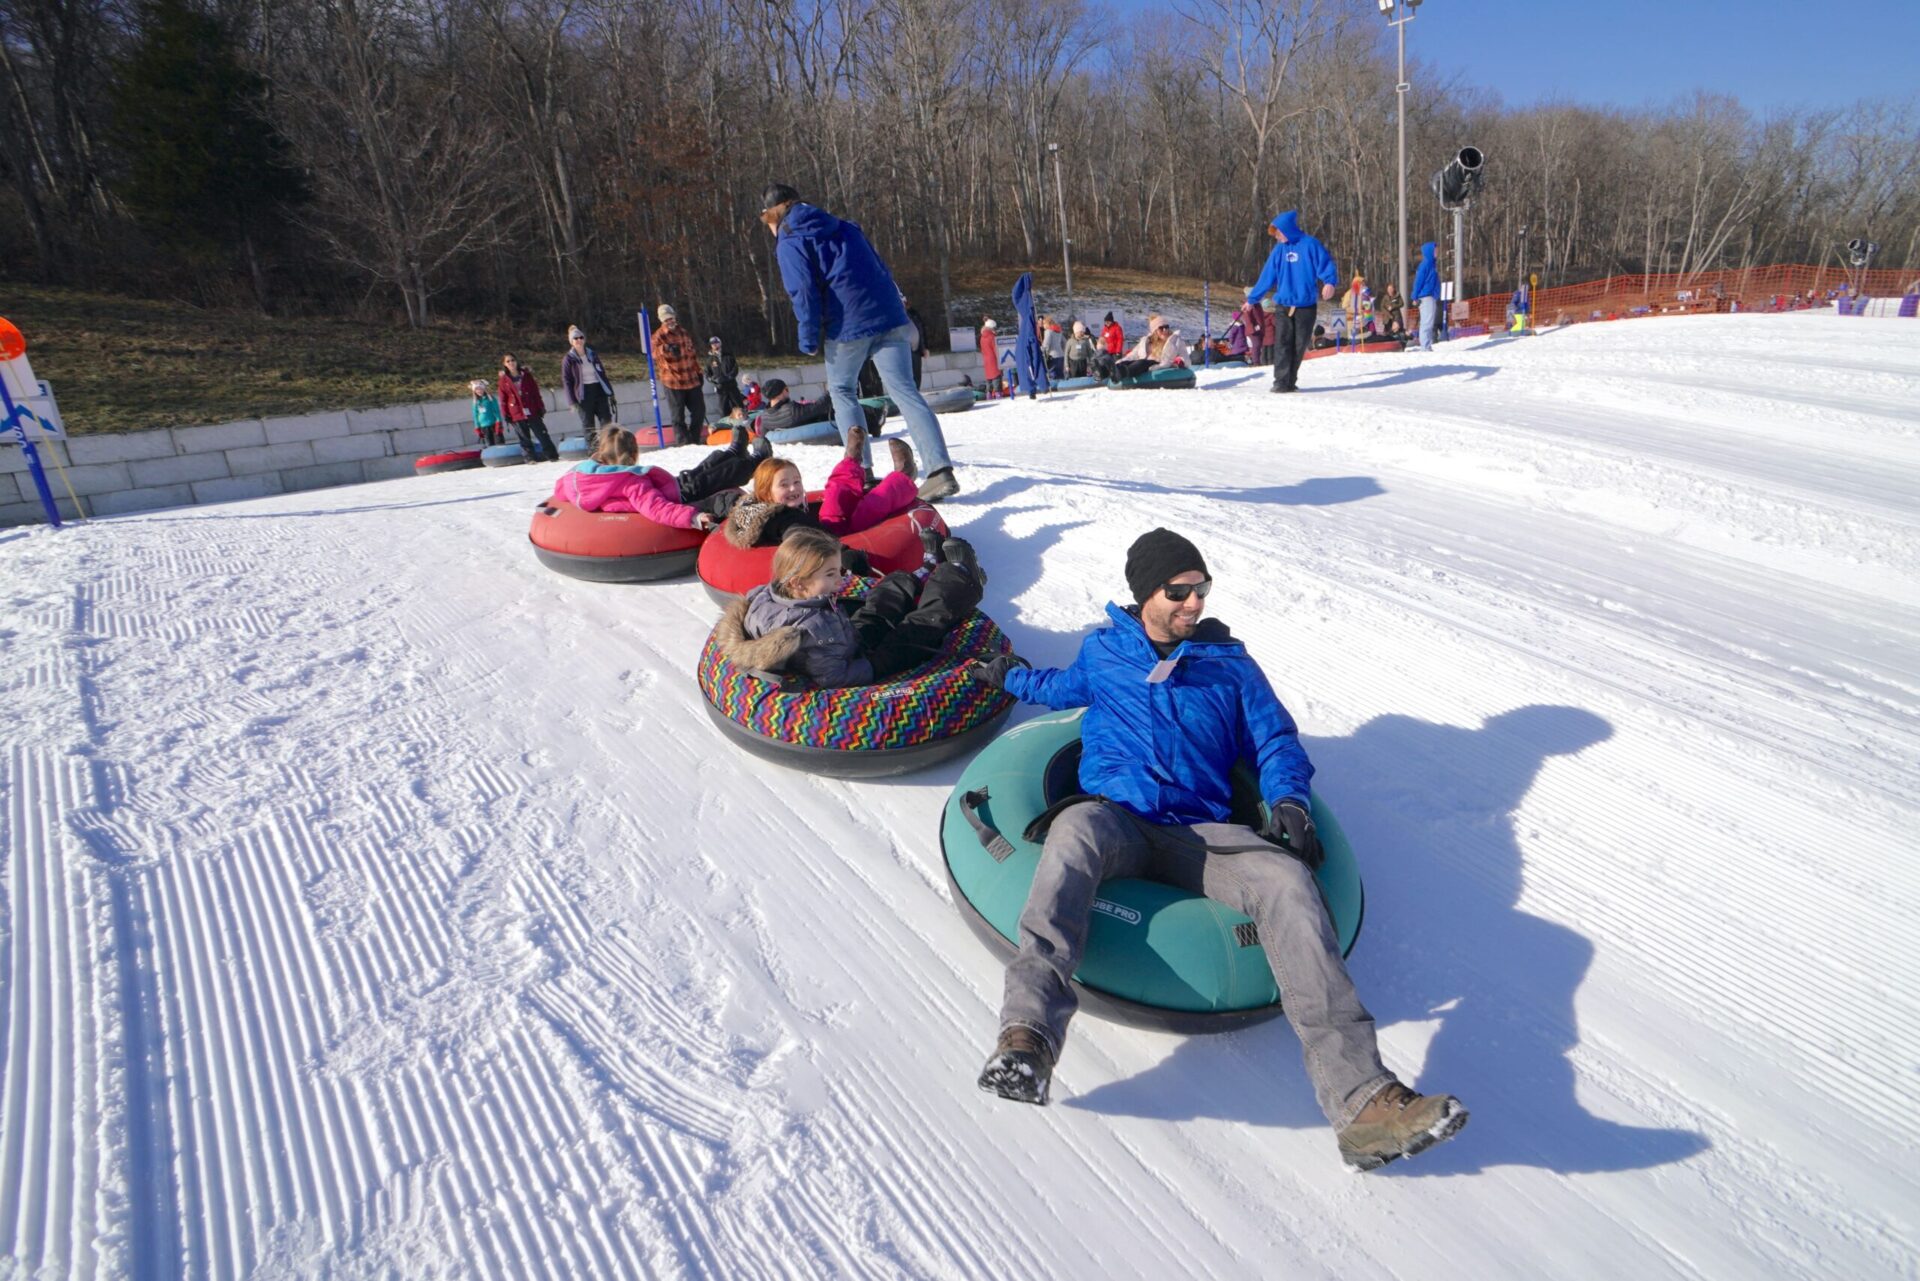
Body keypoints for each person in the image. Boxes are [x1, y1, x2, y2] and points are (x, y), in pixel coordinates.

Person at [966, 528, 1469, 1172]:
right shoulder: (1105, 651)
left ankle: (1363, 1105)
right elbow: (1060, 688)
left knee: (1287, 882)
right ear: (1144, 592)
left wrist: (1288, 799)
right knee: (1070, 838)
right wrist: (1006, 677)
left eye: (1201, 589)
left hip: (1200, 834)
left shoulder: (1229, 664)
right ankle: (1027, 1038)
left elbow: (1275, 741)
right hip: (1115, 817)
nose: (1193, 603)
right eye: (1179, 591)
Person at [761, 182, 959, 502]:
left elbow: (803, 291)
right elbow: (881, 268)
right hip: (888, 316)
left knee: (842, 391)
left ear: (774, 215)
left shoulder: (790, 239)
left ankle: (861, 473)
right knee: (904, 391)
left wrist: (808, 336)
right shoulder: (845, 226)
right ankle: (940, 471)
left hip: (848, 325)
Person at [735, 525, 984, 689]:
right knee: (916, 629)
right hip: (862, 664)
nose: (840, 580)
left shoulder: (768, 596)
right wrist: (871, 667)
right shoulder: (811, 628)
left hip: (845, 639)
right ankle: (962, 577)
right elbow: (833, 676)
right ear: (798, 583)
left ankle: (923, 572)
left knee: (879, 603)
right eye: (831, 574)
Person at [724, 427, 921, 549]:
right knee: (870, 507)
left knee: (835, 493)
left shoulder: (770, 507)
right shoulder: (776, 520)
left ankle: (851, 460)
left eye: (797, 481)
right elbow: (797, 538)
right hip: (831, 543)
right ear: (766, 493)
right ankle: (904, 475)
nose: (794, 488)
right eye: (784, 485)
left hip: (825, 527)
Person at [550, 423, 768, 530]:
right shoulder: (629, 481)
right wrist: (692, 518)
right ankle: (756, 460)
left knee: (701, 470)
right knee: (716, 476)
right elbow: (655, 508)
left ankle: (733, 452)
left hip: (671, 485)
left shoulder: (577, 476)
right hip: (678, 496)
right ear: (632, 455)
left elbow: (560, 489)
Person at [1248, 210, 1338, 394]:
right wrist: (1252, 298)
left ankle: (1290, 380)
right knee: (1282, 342)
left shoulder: (1310, 245)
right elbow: (1267, 275)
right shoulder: (1279, 250)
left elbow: (1326, 264)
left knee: (1299, 345)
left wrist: (1329, 282)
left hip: (1305, 305)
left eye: (1278, 233)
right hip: (1284, 304)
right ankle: (1280, 382)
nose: (1277, 237)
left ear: (1287, 230)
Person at [651, 305, 707, 446]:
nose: (669, 321)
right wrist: (665, 348)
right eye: (666, 320)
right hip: (673, 381)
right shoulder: (658, 336)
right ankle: (683, 443)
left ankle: (694, 439)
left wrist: (698, 372)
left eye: (671, 318)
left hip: (691, 379)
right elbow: (652, 353)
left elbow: (692, 355)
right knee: (678, 416)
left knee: (699, 411)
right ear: (661, 321)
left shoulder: (683, 332)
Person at [759, 378, 883, 437]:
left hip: (801, 425)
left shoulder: (765, 417)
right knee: (841, 409)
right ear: (782, 392)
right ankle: (875, 418)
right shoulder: (791, 410)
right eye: (787, 390)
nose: (788, 392)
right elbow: (819, 407)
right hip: (821, 424)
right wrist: (832, 391)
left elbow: (763, 435)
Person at [561, 324, 617, 445]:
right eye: (575, 338)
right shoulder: (568, 359)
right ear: (571, 341)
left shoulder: (592, 354)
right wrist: (572, 401)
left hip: (598, 389)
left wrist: (610, 392)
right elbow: (567, 381)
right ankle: (593, 450)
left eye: (581, 337)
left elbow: (602, 374)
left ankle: (607, 446)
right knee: (588, 424)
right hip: (583, 393)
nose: (579, 340)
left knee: (606, 420)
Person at [498, 352, 559, 462]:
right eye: (508, 361)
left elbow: (535, 392)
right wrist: (505, 414)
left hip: (531, 409)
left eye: (512, 360)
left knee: (542, 434)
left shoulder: (526, 375)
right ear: (505, 364)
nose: (511, 363)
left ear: (516, 361)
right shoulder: (504, 380)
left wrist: (540, 406)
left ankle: (552, 455)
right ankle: (530, 458)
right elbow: (503, 399)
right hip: (516, 412)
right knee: (524, 438)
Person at [1111, 314, 1184, 380]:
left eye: (1166, 327)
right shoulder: (1146, 341)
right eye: (1161, 328)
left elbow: (1183, 357)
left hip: (1157, 363)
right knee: (1128, 362)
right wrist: (1121, 361)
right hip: (1143, 362)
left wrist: (1178, 361)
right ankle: (1111, 371)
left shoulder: (1173, 341)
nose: (1165, 330)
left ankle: (1123, 373)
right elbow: (1133, 354)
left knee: (1141, 363)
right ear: (1155, 331)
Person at [1411, 241, 1441, 352]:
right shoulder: (1425, 265)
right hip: (1426, 296)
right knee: (1426, 322)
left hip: (1431, 296)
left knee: (1429, 322)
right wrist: (1414, 296)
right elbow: (1418, 282)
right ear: (1429, 251)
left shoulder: (1432, 264)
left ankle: (1427, 345)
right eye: (1435, 250)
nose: (1437, 252)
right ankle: (1425, 347)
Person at [707, 336, 747, 416]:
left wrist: (729, 377)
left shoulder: (728, 355)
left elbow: (735, 368)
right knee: (723, 409)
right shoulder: (710, 359)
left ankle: (743, 423)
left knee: (738, 406)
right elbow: (707, 374)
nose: (715, 345)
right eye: (713, 344)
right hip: (721, 388)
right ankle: (726, 425)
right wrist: (714, 380)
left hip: (731, 386)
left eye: (716, 343)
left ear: (720, 343)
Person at [903, 295, 931, 388]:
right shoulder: (895, 316)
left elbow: (921, 330)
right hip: (904, 349)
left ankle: (916, 390)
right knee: (907, 374)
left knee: (917, 373)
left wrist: (924, 347)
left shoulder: (913, 314)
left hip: (915, 348)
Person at [469, 379, 505, 446]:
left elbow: (496, 411)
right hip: (484, 426)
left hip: (494, 424)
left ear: (484, 389)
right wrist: (477, 426)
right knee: (489, 443)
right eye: (477, 389)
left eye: (480, 389)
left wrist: (498, 422)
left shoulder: (491, 399)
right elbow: (475, 415)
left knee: (499, 441)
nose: (479, 391)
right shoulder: (475, 402)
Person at [1099, 312, 1125, 379]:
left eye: (1108, 322)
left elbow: (1120, 339)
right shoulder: (1104, 329)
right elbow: (1102, 339)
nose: (1107, 323)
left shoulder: (1117, 328)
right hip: (1107, 352)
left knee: (1116, 366)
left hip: (1115, 352)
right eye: (1105, 322)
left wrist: (1118, 351)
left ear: (1112, 321)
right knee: (1107, 366)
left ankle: (1119, 377)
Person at [980, 317, 1002, 394]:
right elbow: (996, 350)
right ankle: (998, 393)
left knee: (989, 378)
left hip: (986, 359)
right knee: (996, 376)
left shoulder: (982, 337)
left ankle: (988, 394)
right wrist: (1000, 361)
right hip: (994, 359)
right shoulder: (992, 337)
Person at [1042, 315, 1065, 379]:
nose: (1043, 325)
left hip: (1052, 356)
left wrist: (1041, 349)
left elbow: (1046, 344)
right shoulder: (1059, 331)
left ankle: (1054, 388)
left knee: (1053, 374)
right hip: (1060, 355)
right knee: (1060, 374)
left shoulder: (1048, 331)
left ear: (1048, 323)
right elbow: (1064, 342)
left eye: (1044, 323)